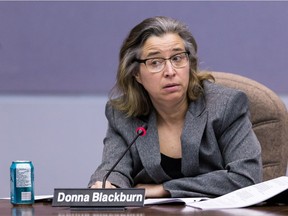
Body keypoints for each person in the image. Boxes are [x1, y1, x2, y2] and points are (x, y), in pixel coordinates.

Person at [88, 16, 262, 198]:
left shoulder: (226, 106)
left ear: (190, 63)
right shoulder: (123, 115)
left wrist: (164, 189)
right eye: (155, 62)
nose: (170, 72)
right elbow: (113, 170)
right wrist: (109, 185)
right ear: (136, 74)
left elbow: (247, 178)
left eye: (178, 58)